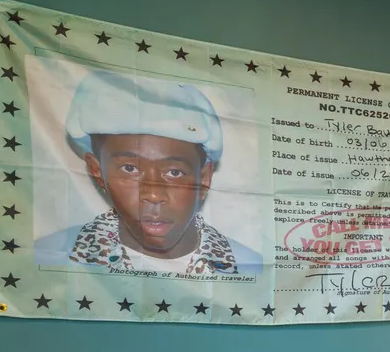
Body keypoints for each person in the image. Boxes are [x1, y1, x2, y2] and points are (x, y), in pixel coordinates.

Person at [32, 71, 263, 276]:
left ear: (204, 179)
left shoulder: (248, 266)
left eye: (174, 172)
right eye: (130, 169)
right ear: (97, 171)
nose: (153, 194)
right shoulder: (53, 257)